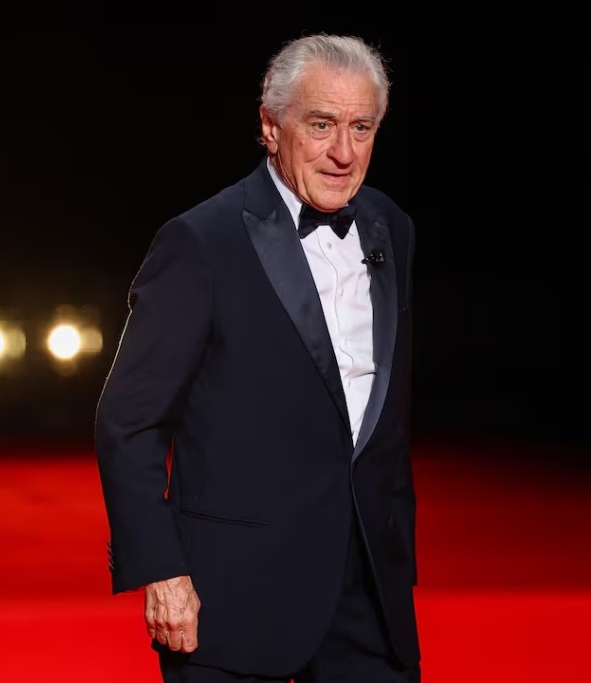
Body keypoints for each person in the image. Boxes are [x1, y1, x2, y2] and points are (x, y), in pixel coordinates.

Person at [94, 33, 421, 682]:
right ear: (271, 127)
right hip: (234, 595)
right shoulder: (200, 242)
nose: (344, 152)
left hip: (368, 601)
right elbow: (127, 421)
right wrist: (160, 568)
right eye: (322, 124)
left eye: (363, 127)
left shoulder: (392, 228)